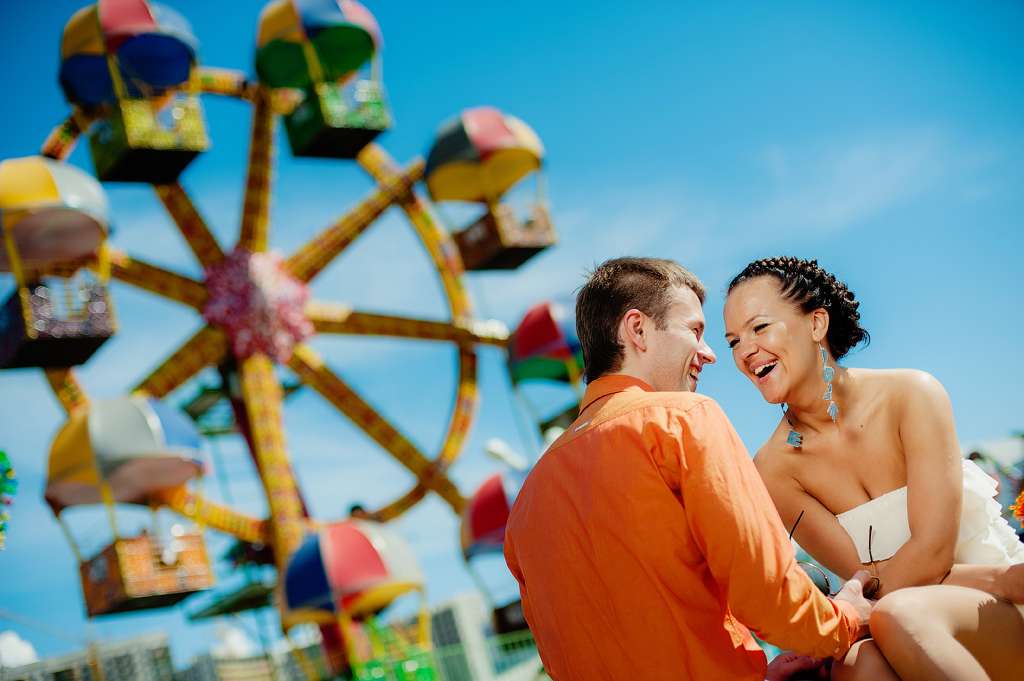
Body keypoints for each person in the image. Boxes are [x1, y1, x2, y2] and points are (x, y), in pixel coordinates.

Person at [504, 257, 873, 681]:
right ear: (637, 329)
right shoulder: (682, 420)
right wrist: (846, 617)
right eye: (694, 331)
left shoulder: (525, 507)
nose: (710, 354)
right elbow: (770, 599)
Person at [723, 256, 1024, 681]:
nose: (745, 351)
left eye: (759, 327)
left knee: (899, 614)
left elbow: (932, 552)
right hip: (935, 610)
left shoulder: (911, 395)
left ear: (816, 325)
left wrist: (1005, 582)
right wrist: (998, 579)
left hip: (1007, 608)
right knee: (855, 665)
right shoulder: (773, 471)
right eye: (733, 341)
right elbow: (867, 584)